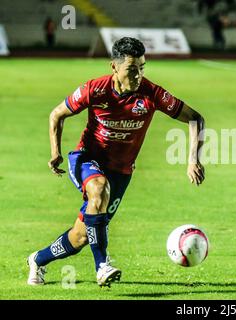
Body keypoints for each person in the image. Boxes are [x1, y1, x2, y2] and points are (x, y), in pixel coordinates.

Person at [27, 37, 205, 287]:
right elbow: (57, 114)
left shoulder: (152, 94)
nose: (139, 75)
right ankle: (102, 266)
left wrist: (193, 160)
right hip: (87, 159)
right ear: (114, 67)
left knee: (81, 237)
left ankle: (37, 259)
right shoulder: (95, 89)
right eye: (132, 69)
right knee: (99, 188)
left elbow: (196, 118)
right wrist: (55, 151)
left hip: (121, 172)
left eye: (142, 67)